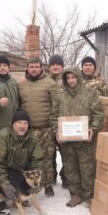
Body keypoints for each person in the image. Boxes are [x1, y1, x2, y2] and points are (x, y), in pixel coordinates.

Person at [49, 67, 104, 207]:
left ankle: (89, 195)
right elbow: (54, 116)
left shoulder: (90, 94)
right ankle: (75, 194)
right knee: (70, 168)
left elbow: (98, 114)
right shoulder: (60, 95)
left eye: (73, 77)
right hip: (67, 141)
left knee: (88, 168)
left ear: (78, 78)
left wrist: (93, 129)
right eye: (68, 78)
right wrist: (57, 131)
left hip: (86, 140)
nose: (71, 81)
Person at [0, 109, 43, 215]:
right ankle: (1, 200)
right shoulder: (3, 137)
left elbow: (37, 161)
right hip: (5, 170)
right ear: (13, 124)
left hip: (20, 172)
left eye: (25, 123)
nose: (22, 126)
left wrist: (37, 179)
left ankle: (21, 194)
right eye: (19, 123)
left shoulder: (33, 139)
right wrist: (4, 183)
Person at [18, 58, 58, 197]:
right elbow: (19, 105)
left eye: (36, 67)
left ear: (41, 68)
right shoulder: (21, 85)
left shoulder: (50, 83)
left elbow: (56, 105)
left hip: (45, 128)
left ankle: (48, 184)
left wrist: (54, 126)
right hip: (27, 130)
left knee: (47, 158)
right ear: (27, 68)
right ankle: (31, 184)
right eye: (31, 67)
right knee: (29, 158)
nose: (34, 69)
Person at [48, 54, 67, 188]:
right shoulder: (45, 80)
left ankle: (66, 177)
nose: (55, 66)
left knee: (66, 152)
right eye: (52, 64)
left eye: (58, 64)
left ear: (62, 66)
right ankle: (51, 177)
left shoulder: (68, 80)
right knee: (50, 153)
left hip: (65, 121)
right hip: (48, 121)